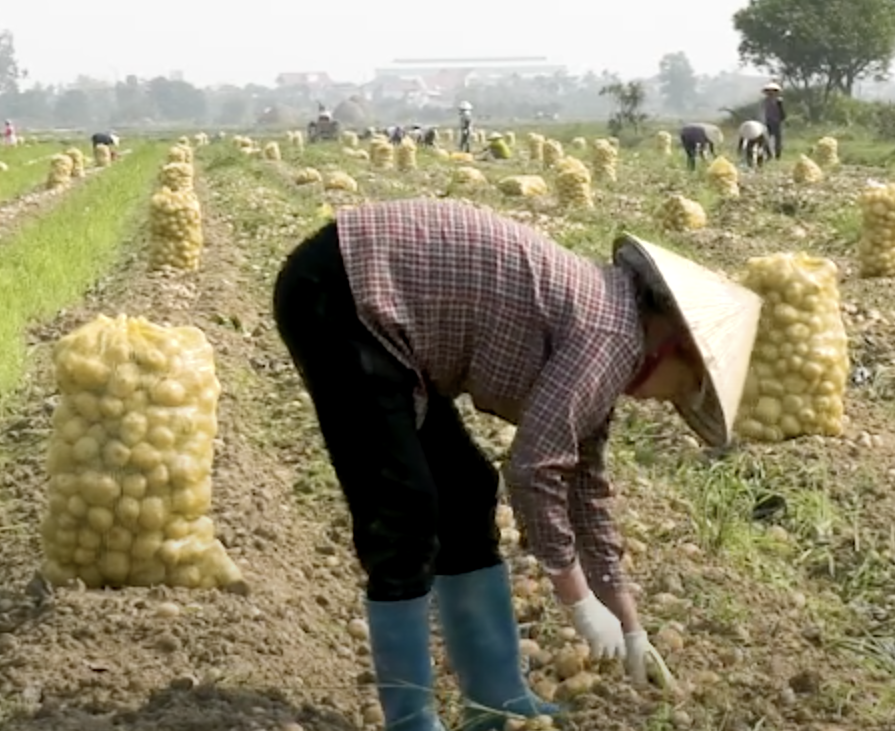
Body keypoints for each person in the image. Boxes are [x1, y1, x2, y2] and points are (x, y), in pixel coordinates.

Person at [272, 198, 762, 731]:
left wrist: (631, 628)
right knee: (404, 512)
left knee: (465, 490)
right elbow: (533, 469)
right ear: (671, 345)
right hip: (346, 292)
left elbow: (585, 491)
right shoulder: (610, 337)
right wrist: (577, 600)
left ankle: (496, 700)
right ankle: (410, 721)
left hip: (386, 314)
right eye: (685, 387)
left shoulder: (612, 334)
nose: (665, 401)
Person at [761, 82, 785, 159]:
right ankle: (769, 154)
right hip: (768, 121)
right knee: (766, 139)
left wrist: (781, 118)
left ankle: (777, 155)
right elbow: (765, 111)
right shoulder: (766, 101)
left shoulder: (779, 101)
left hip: (776, 122)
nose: (770, 93)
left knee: (778, 140)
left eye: (772, 91)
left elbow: (781, 112)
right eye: (769, 91)